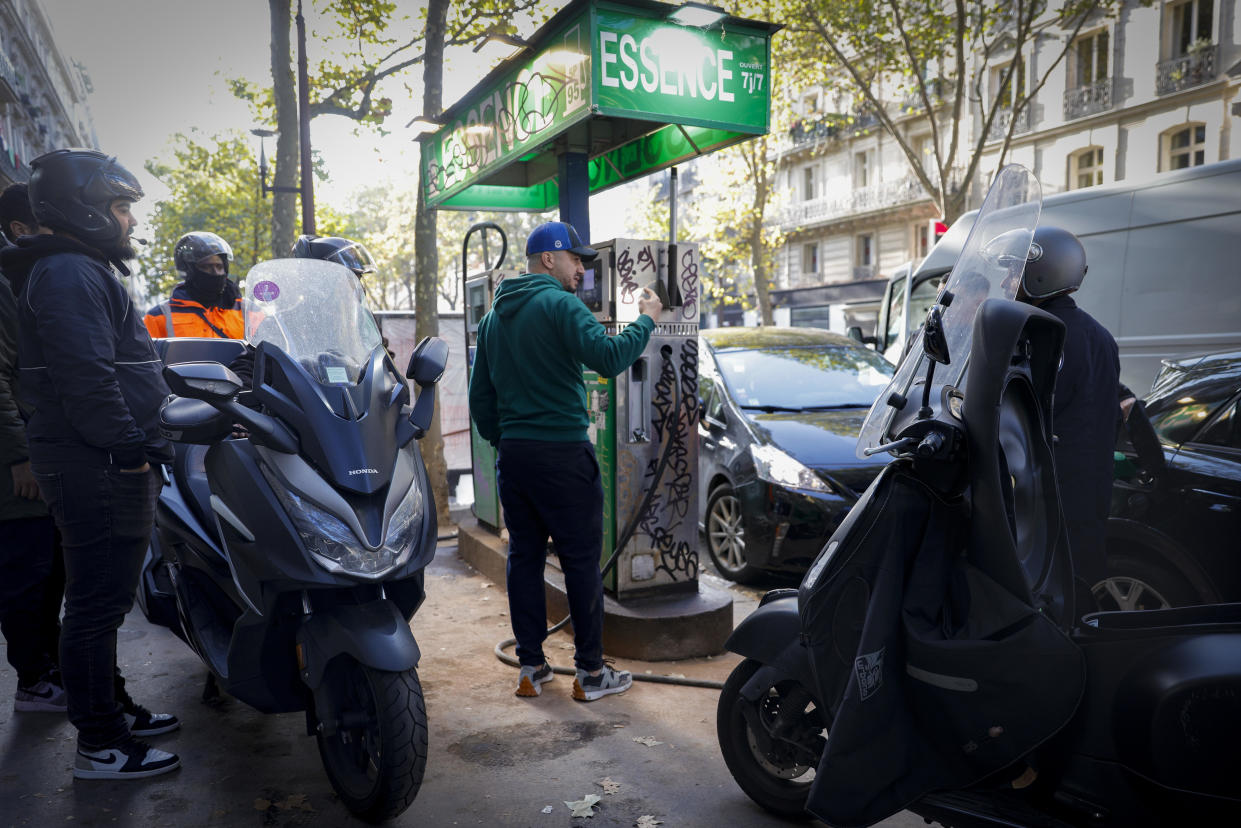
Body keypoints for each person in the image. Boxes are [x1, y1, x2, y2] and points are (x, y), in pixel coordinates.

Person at [1, 149, 181, 779]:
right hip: (96, 462)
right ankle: (101, 744)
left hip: (94, 457)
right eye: (121, 206)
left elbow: (118, 366)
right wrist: (131, 450)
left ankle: (113, 713)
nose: (129, 220)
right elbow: (87, 381)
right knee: (96, 605)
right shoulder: (70, 272)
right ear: (86, 208)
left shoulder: (74, 269)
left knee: (97, 599)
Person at [468, 221, 662, 701]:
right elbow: (610, 357)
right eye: (576, 259)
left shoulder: (494, 318)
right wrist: (647, 319)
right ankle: (591, 673)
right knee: (579, 562)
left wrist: (509, 440)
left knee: (525, 559)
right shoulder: (560, 305)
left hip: (515, 458)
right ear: (548, 259)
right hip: (562, 454)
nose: (581, 269)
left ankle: (531, 668)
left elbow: (480, 400)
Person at [1016, 225, 1121, 604]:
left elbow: (1025, 412)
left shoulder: (1036, 334)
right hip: (1090, 491)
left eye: (1017, 272)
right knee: (1079, 595)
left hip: (1046, 496)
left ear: (1038, 274)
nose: (1010, 281)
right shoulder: (1099, 334)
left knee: (1045, 601)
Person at [0, 183, 66, 714]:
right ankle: (33, 680)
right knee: (28, 571)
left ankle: (49, 668)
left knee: (51, 568)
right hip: (18, 463)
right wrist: (19, 455)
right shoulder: (5, 285)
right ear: (21, 230)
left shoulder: (28, 281)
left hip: (41, 449)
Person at [144, 231, 243, 339]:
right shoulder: (159, 316)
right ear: (189, 270)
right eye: (206, 266)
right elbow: (146, 354)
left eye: (219, 266)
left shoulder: (247, 311)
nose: (215, 273)